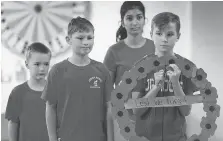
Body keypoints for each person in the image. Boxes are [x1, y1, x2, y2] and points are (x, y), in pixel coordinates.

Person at [41, 16, 113, 141]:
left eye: (90, 38)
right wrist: (52, 139)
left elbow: (109, 108)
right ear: (68, 40)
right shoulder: (57, 71)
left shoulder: (102, 70)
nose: (86, 42)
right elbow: (50, 107)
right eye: (80, 38)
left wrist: (111, 139)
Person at [133, 12, 198, 141]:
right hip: (145, 137)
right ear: (151, 34)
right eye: (159, 33)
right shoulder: (140, 67)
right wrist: (156, 87)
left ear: (178, 36)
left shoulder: (187, 68)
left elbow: (186, 111)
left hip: (176, 137)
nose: (164, 39)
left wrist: (175, 83)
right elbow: (137, 111)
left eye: (169, 34)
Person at [103, 1, 155, 141]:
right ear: (122, 22)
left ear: (145, 20)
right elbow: (107, 94)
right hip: (124, 121)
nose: (135, 22)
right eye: (129, 18)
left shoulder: (155, 47)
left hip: (153, 120)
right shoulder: (113, 52)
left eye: (139, 17)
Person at [5, 42, 52, 141]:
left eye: (46, 64)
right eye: (37, 64)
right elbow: (13, 124)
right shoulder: (17, 93)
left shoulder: (56, 91)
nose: (42, 68)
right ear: (27, 64)